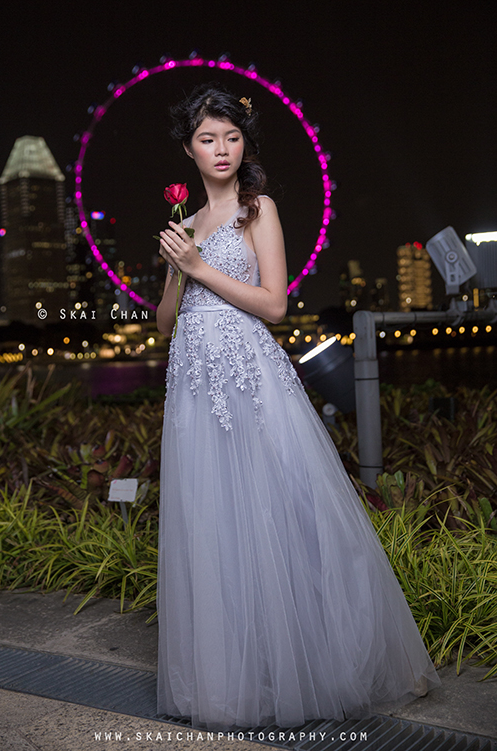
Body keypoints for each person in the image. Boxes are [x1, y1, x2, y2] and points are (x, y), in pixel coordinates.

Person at [155, 83, 441, 730]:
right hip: (194, 386)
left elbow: (275, 305)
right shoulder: (184, 227)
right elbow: (164, 321)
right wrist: (175, 266)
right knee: (212, 524)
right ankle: (230, 680)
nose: (220, 148)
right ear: (188, 150)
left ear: (243, 143)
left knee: (278, 514)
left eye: (230, 137)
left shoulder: (259, 211)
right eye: (207, 138)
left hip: (251, 377)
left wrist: (199, 265)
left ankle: (314, 662)